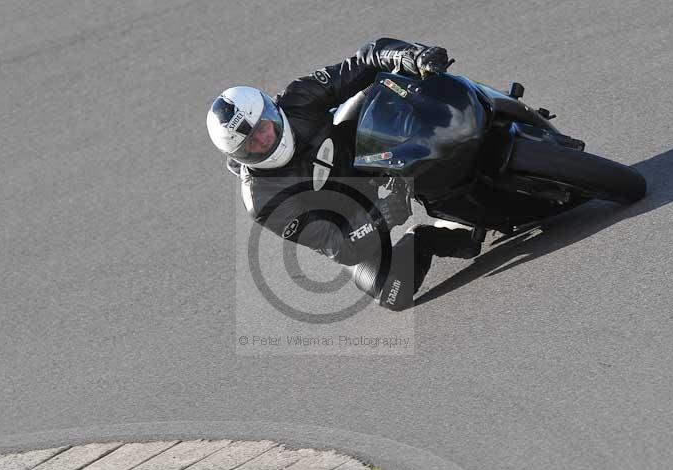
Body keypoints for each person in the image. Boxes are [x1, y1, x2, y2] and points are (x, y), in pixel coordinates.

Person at [206, 38, 481, 311]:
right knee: (392, 291)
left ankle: (486, 110)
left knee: (400, 79)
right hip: (352, 215)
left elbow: (365, 61)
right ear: (238, 156)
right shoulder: (263, 199)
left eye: (262, 128)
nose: (264, 142)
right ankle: (436, 236)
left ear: (269, 112)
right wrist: (380, 214)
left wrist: (413, 56)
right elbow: (336, 244)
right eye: (251, 144)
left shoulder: (297, 99)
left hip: (359, 144)